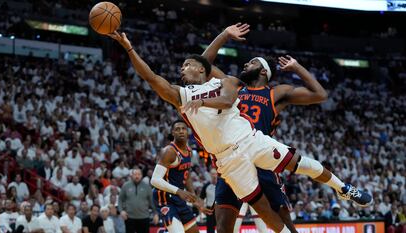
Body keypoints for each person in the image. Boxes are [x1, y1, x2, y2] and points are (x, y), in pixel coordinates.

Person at [109, 30, 372, 233]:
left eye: (185, 65)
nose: (181, 69)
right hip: (227, 159)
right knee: (251, 213)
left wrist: (201, 101)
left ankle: (343, 188)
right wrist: (129, 47)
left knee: (300, 166)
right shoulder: (182, 94)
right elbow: (160, 76)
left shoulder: (237, 84)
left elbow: (220, 93)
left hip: (252, 140)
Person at [201, 23, 330, 233]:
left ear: (262, 70)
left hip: (262, 158)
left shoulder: (276, 93)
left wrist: (297, 67)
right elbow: (202, 65)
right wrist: (224, 34)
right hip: (234, 160)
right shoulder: (233, 86)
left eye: (250, 63)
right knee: (223, 227)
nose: (244, 65)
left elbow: (320, 95)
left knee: (284, 225)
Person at [151, 120, 211, 233]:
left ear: (188, 132)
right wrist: (178, 191)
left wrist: (195, 200)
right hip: (164, 198)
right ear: (173, 133)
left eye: (183, 128)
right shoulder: (169, 151)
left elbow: (187, 177)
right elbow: (154, 180)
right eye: (177, 129)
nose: (181, 131)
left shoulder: (189, 151)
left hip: (178, 197)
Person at [118, 168, 158, 233]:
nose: (137, 176)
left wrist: (155, 214)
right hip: (129, 218)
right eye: (135, 174)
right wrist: (121, 211)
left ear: (141, 175)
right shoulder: (126, 186)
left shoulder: (147, 187)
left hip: (144, 218)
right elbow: (120, 199)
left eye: (139, 174)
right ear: (132, 175)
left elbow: (152, 202)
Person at [200, 169, 217, 233]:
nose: (214, 176)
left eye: (215, 174)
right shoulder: (206, 186)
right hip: (209, 210)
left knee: (221, 228)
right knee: (210, 229)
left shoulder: (221, 185)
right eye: (212, 174)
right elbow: (201, 199)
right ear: (210, 175)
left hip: (220, 210)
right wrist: (201, 215)